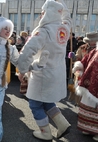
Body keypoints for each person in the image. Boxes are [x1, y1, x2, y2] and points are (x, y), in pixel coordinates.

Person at [17, 0, 72, 140]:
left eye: (43, 12)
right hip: (57, 72)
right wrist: (63, 7)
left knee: (35, 103)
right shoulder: (64, 29)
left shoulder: (44, 31)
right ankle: (62, 124)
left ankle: (45, 132)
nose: (41, 15)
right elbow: (67, 19)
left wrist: (22, 70)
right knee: (47, 101)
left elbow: (28, 51)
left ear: (47, 13)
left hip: (42, 74)